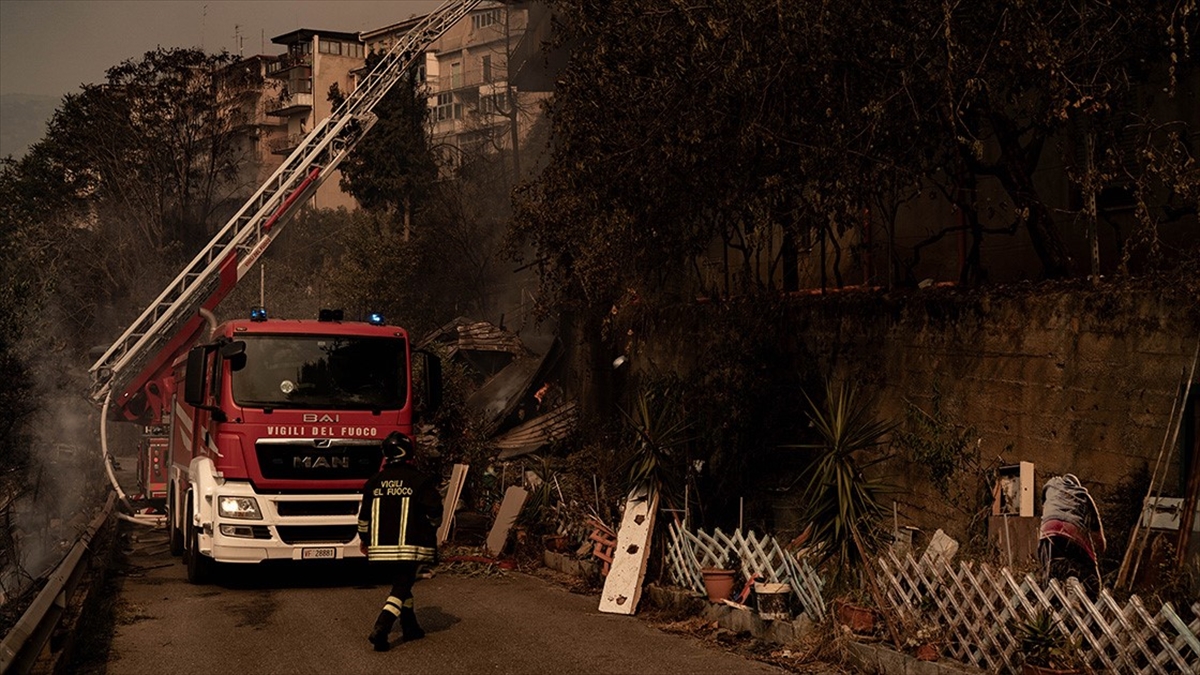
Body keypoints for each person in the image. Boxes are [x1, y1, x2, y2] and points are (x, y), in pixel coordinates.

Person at [358, 431, 442, 651]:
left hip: (380, 549)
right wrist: (433, 525)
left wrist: (364, 540)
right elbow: (435, 510)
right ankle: (382, 626)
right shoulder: (419, 481)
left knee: (402, 584)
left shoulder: (373, 483)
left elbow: (363, 518)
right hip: (410, 547)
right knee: (402, 584)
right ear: (409, 452)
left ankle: (410, 626)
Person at [1038, 473, 1106, 594]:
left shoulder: (1050, 487)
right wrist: (1098, 554)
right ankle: (1078, 587)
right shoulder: (1083, 495)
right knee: (1086, 571)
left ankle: (1050, 601)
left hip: (1047, 530)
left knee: (1050, 569)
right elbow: (1098, 536)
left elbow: (1044, 502)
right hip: (1071, 529)